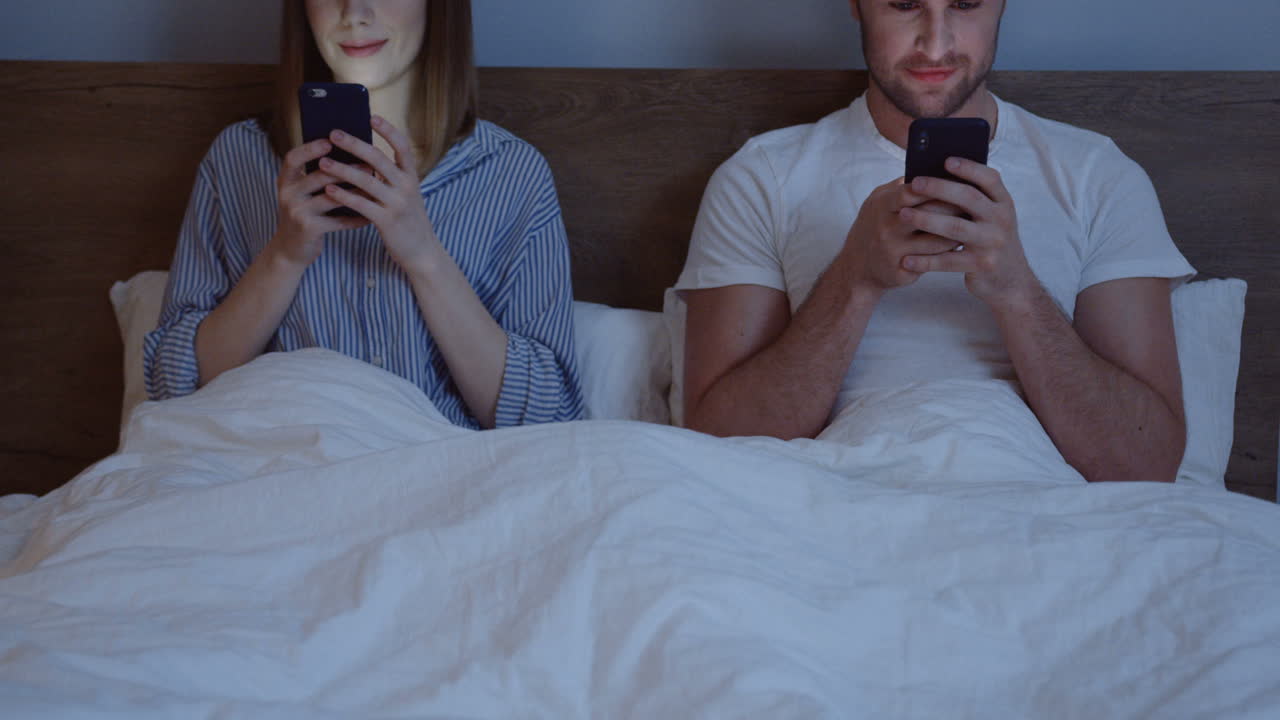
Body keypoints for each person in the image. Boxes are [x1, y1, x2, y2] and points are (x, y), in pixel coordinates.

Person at [676, 0, 1193, 483]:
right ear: (856, 4)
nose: (935, 43)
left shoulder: (1095, 177)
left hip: (1032, 510)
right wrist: (855, 277)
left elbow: (1148, 464)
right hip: (832, 503)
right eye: (904, 3)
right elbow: (716, 446)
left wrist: (1017, 292)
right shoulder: (762, 176)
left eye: (965, 3)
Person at [144, 0, 584, 430]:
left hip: (444, 478)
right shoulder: (237, 160)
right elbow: (173, 391)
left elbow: (548, 418)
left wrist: (423, 254)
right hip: (279, 471)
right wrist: (283, 257)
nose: (354, 13)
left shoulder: (511, 173)